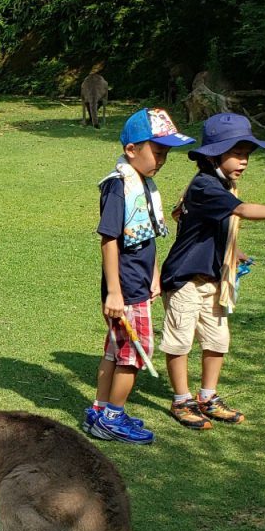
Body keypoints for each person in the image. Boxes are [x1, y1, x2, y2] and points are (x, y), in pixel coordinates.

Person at [158, 112, 265, 428]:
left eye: (247, 155)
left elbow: (210, 227)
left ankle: (207, 397)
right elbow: (242, 211)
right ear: (214, 154)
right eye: (237, 153)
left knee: (217, 339)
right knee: (180, 340)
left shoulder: (224, 184)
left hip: (214, 278)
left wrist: (234, 251)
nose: (244, 161)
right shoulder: (205, 185)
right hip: (184, 279)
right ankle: (181, 400)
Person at [82, 108, 195, 445]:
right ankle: (112, 419)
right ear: (132, 149)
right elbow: (109, 239)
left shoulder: (143, 184)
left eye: (165, 154)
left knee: (115, 351)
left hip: (137, 282)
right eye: (157, 152)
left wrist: (155, 272)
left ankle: (100, 411)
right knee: (132, 354)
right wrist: (114, 292)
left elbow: (146, 237)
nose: (161, 160)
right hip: (126, 288)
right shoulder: (118, 187)